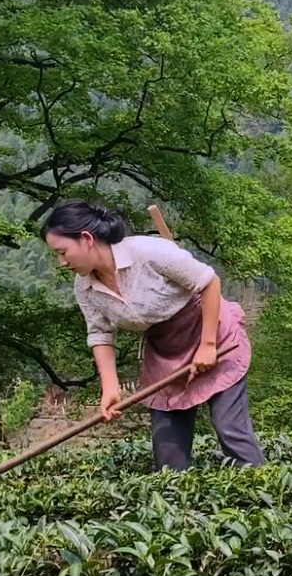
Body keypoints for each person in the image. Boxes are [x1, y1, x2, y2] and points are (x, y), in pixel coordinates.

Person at [40, 199, 265, 472]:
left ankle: (263, 503)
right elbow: (100, 334)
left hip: (213, 334)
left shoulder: (148, 252)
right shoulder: (84, 287)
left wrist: (207, 345)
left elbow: (209, 282)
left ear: (86, 239)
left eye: (63, 252)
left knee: (231, 431)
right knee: (169, 459)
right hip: (164, 353)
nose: (61, 262)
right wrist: (110, 388)